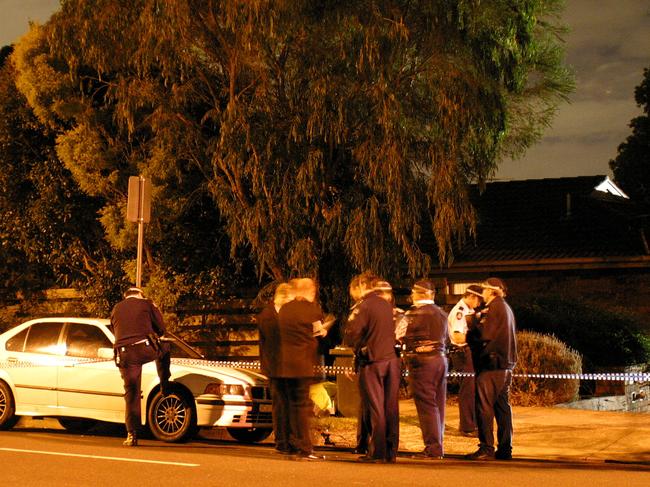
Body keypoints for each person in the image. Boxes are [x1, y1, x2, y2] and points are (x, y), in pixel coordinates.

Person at [345, 272, 400, 463]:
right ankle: (391, 451)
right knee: (390, 407)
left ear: (360, 286)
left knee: (376, 408)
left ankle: (377, 452)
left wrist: (355, 345)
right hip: (391, 360)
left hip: (373, 361)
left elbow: (352, 333)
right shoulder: (387, 304)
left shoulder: (364, 306)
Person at [111, 286, 171, 447]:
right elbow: (161, 329)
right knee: (164, 346)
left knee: (132, 393)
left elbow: (116, 330)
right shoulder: (147, 304)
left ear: (126, 296)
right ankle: (164, 384)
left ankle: (132, 434)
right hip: (144, 349)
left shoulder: (116, 308)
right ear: (140, 295)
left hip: (124, 354)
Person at [465, 277, 518, 461]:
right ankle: (505, 449)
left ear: (492, 291)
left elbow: (485, 335)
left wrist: (472, 328)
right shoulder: (506, 308)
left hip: (491, 365)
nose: (482, 293)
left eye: (485, 290)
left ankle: (486, 447)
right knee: (502, 407)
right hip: (505, 365)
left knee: (484, 406)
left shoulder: (495, 308)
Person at [276, 278, 326, 461]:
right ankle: (305, 448)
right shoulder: (312, 309)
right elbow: (318, 331)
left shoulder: (285, 309)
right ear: (308, 291)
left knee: (291, 406)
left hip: (285, 364)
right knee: (303, 406)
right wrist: (323, 331)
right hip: (303, 364)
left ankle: (294, 445)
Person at [401, 280, 448, 459]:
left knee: (427, 406)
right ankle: (439, 444)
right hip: (441, 360)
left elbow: (399, 333)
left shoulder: (413, 314)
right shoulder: (442, 313)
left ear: (417, 293)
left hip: (421, 363)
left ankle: (432, 448)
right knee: (438, 404)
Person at [256, 282, 294, 455]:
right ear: (283, 297)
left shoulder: (282, 314)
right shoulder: (268, 315)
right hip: (275, 367)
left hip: (285, 366)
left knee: (288, 404)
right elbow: (274, 343)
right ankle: (281, 441)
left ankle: (289, 439)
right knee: (280, 405)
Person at [447, 284, 484, 436]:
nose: (479, 303)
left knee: (472, 389)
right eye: (479, 300)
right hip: (462, 353)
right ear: (472, 296)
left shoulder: (469, 310)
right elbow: (457, 336)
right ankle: (467, 427)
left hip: (468, 352)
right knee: (467, 390)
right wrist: (476, 339)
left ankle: (472, 424)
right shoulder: (459, 312)